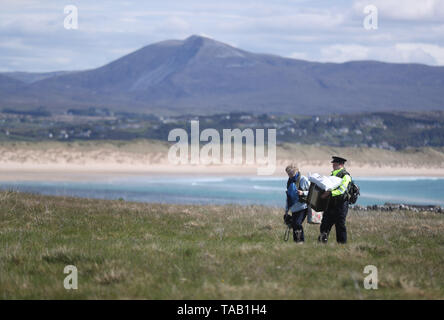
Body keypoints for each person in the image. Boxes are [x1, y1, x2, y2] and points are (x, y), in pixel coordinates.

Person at [318, 156, 352, 244]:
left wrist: (330, 193)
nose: (333, 165)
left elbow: (342, 190)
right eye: (333, 163)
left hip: (341, 205)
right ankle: (322, 243)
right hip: (331, 204)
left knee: (340, 225)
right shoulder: (333, 174)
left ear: (340, 164)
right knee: (325, 224)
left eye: (335, 163)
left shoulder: (346, 176)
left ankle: (342, 245)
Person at [284, 164, 311, 243]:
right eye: (288, 173)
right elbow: (288, 197)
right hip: (294, 208)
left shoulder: (304, 179)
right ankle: (297, 241)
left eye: (291, 173)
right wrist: (286, 210)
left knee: (297, 223)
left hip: (303, 206)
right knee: (295, 225)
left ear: (296, 171)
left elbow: (312, 192)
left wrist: (303, 193)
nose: (290, 175)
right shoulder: (289, 181)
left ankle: (300, 241)